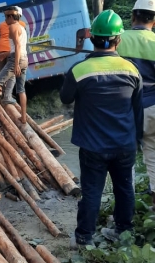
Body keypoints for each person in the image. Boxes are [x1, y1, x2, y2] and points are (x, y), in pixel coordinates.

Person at [60, 10, 143, 247]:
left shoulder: (78, 70)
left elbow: (66, 98)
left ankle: (84, 238)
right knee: (125, 188)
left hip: (92, 145)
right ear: (118, 40)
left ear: (91, 38)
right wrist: (135, 141)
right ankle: (123, 232)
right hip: (124, 144)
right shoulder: (132, 70)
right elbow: (137, 110)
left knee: (92, 191)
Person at [116, 0, 155, 207]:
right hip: (153, 107)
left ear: (132, 17)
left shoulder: (119, 40)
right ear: (154, 21)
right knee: (154, 157)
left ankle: (125, 211)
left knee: (126, 160)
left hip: (126, 110)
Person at [0, 19, 26, 104]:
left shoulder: (0, 25)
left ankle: (4, 95)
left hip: (1, 50)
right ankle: (7, 96)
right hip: (11, 51)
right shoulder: (22, 24)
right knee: (11, 76)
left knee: (3, 75)